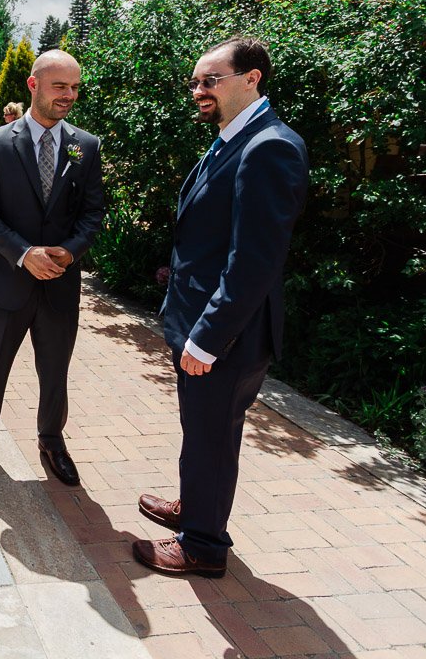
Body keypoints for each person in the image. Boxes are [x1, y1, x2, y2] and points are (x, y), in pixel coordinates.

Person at [133, 38, 309, 579]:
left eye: (210, 80)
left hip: (226, 335)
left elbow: (253, 261)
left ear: (252, 78)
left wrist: (207, 337)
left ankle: (203, 546)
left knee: (212, 435)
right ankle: (195, 507)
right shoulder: (232, 139)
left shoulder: (269, 147)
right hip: (198, 323)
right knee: (202, 429)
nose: (199, 91)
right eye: (195, 82)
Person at [0, 50, 104, 488]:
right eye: (61, 86)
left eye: (75, 87)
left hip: (59, 283)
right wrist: (24, 254)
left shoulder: (84, 145)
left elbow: (92, 213)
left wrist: (69, 252)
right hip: (6, 281)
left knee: (55, 371)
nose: (70, 96)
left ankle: (52, 441)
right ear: (33, 85)